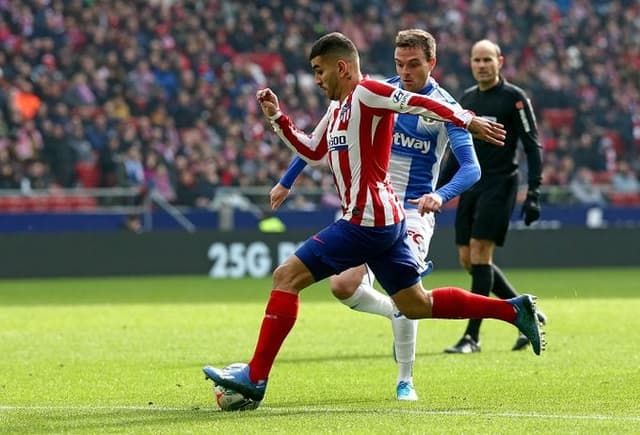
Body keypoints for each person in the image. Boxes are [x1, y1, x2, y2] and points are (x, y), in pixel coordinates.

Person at [203, 32, 545, 407]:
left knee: (287, 276)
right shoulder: (342, 105)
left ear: (342, 67)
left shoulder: (370, 92)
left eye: (320, 71)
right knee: (414, 303)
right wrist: (279, 120)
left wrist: (467, 122)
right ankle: (513, 309)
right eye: (400, 63)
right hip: (385, 217)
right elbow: (314, 150)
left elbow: (421, 106)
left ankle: (256, 376)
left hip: (373, 218)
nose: (316, 79)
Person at [267, 29, 489, 401]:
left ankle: (406, 379)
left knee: (405, 293)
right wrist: (287, 179)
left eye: (414, 65)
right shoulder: (378, 92)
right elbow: (325, 136)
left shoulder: (443, 107)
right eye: (399, 64)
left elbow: (471, 168)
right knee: (342, 287)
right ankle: (394, 311)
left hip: (415, 209)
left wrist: (440, 194)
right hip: (372, 206)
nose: (405, 72)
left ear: (431, 64)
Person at [441, 39, 547, 354]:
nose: (482, 65)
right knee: (468, 259)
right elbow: (454, 151)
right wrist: (438, 189)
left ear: (500, 61)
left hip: (501, 184)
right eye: (477, 60)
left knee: (480, 254)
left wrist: (535, 191)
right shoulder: (467, 99)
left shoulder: (515, 98)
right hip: (470, 184)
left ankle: (472, 337)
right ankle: (526, 314)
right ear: (471, 63)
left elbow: (532, 145)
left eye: (488, 59)